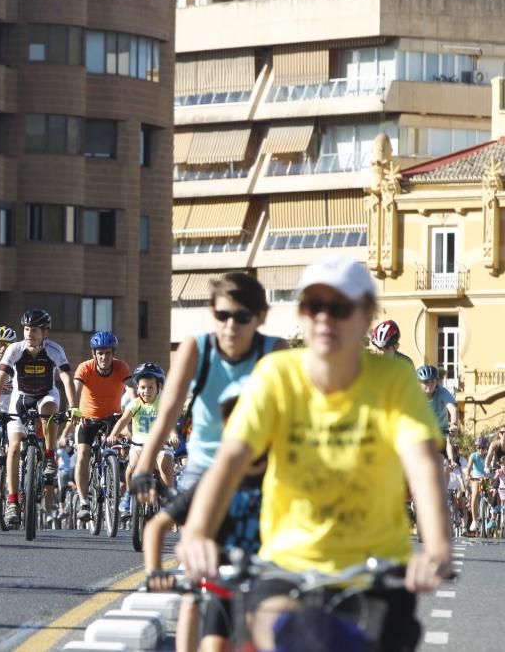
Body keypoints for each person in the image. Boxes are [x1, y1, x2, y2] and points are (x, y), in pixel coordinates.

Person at [174, 255, 452, 652]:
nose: (324, 319)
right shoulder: (277, 374)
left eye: (339, 308)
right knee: (284, 631)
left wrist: (437, 547)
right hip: (288, 567)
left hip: (374, 571)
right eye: (312, 306)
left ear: (366, 316)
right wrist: (198, 531)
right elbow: (231, 458)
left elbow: (423, 463)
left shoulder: (394, 381)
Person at [133, 272, 285, 652]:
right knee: (198, 578)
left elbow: (297, 421)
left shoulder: (275, 352)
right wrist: (142, 469)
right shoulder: (197, 350)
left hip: (260, 470)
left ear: (261, 317)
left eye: (242, 317)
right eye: (222, 316)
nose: (230, 326)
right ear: (211, 314)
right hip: (205, 471)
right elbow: (167, 412)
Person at [144, 383, 265, 652]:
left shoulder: (284, 478)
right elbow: (157, 527)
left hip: (272, 587)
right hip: (223, 584)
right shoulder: (215, 481)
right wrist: (155, 573)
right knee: (211, 642)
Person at [0, 309, 76, 527]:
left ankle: (48, 455)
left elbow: (66, 377)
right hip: (21, 398)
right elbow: (0, 377)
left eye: (34, 330)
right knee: (14, 448)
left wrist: (74, 406)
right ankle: (12, 501)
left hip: (46, 393)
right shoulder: (14, 349)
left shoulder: (54, 350)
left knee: (49, 408)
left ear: (45, 333)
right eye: (27, 329)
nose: (29, 334)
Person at [63, 331, 132, 522]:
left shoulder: (121, 367)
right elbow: (75, 390)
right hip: (87, 419)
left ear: (113, 353)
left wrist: (137, 409)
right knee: (83, 454)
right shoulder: (85, 368)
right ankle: (84, 502)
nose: (104, 357)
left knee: (120, 450)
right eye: (100, 353)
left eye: (108, 353)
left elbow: (133, 391)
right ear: (94, 354)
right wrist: (74, 409)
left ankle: (114, 483)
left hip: (113, 418)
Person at [108, 363, 172, 513]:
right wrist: (113, 435)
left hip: (160, 445)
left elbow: (169, 422)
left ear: (159, 388)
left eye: (151, 387)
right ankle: (129, 497)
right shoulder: (135, 404)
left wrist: (173, 436)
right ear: (137, 389)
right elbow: (123, 420)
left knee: (165, 465)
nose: (146, 391)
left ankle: (167, 501)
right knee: (132, 468)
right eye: (143, 387)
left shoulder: (163, 403)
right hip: (139, 445)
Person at [417, 364, 459, 461]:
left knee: (444, 461)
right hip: (421, 434)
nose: (430, 385)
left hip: (440, 433)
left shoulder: (442, 392)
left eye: (433, 381)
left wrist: (454, 424)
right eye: (426, 382)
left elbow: (453, 409)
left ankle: (447, 468)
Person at [466, 435, 490, 533]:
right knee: (475, 494)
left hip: (485, 478)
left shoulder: (488, 456)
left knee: (489, 495)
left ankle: (491, 514)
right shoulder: (473, 456)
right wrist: (467, 476)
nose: (480, 450)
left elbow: (493, 464)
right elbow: (468, 468)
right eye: (478, 447)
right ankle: (475, 520)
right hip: (476, 478)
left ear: (486, 448)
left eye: (483, 448)